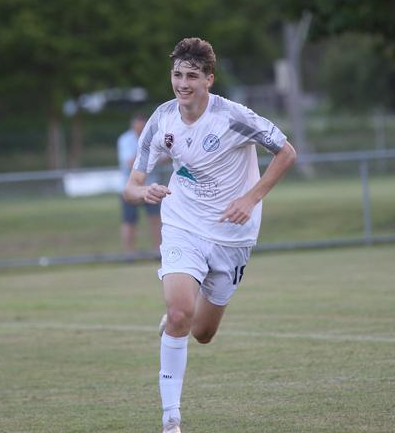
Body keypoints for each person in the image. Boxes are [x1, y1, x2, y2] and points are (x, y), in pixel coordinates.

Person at [123, 37, 297, 433]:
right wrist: (143, 191)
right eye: (177, 75)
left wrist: (251, 199)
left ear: (209, 80)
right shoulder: (162, 119)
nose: (182, 83)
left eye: (192, 76)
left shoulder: (234, 117)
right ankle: (171, 420)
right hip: (183, 223)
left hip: (233, 236)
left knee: (202, 333)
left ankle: (177, 317)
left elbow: (286, 152)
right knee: (181, 314)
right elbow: (131, 186)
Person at [117, 112, 162, 255]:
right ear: (134, 124)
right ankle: (129, 254)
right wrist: (150, 155)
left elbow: (167, 156)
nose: (141, 128)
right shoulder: (125, 139)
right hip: (131, 187)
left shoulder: (155, 136)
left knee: (156, 220)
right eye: (139, 125)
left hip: (151, 186)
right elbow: (129, 162)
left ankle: (158, 252)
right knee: (129, 221)